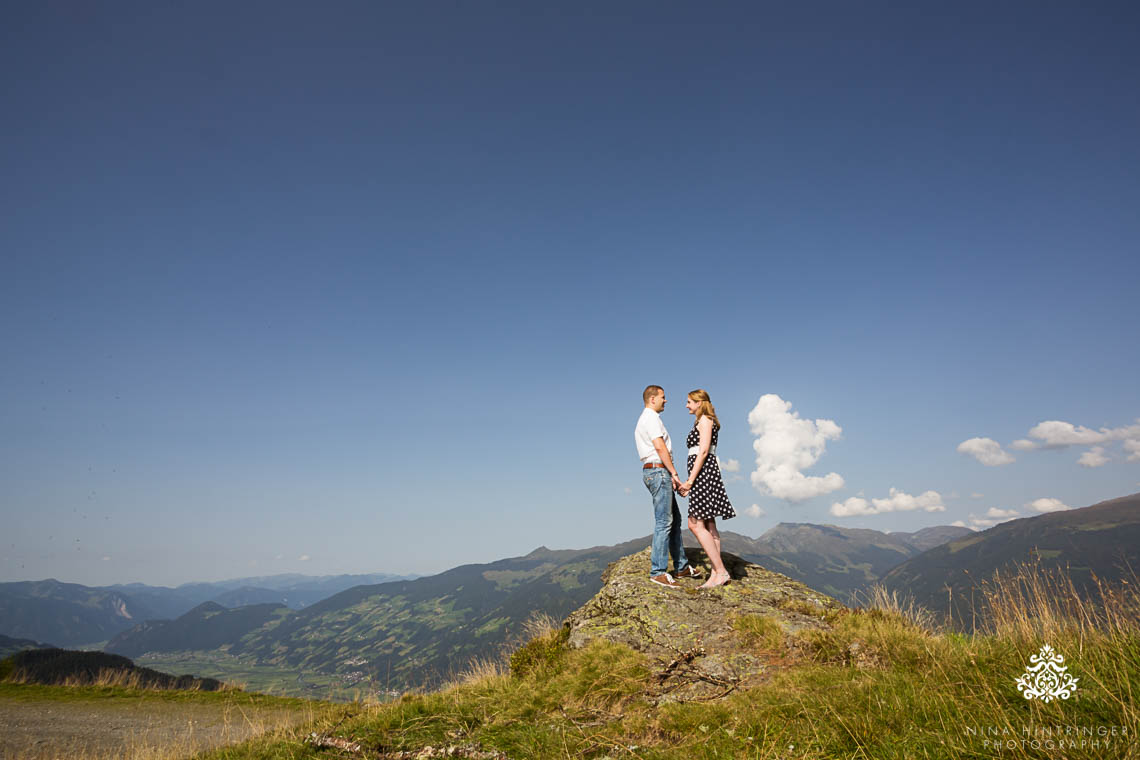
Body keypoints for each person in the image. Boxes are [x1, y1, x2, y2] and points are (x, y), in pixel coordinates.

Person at [634, 385, 703, 588]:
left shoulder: (648, 418)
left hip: (657, 471)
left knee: (675, 519)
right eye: (663, 397)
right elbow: (659, 446)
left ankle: (681, 566)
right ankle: (658, 572)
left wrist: (670, 474)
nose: (666, 401)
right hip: (658, 471)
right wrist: (673, 473)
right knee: (664, 521)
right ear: (652, 399)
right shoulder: (650, 418)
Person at [678, 389, 736, 588]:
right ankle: (715, 573)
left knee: (695, 524)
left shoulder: (705, 420)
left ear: (698, 402)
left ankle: (720, 571)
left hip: (703, 473)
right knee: (710, 524)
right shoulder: (703, 420)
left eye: (689, 402)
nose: (686, 405)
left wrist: (690, 481)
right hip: (705, 472)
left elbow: (703, 451)